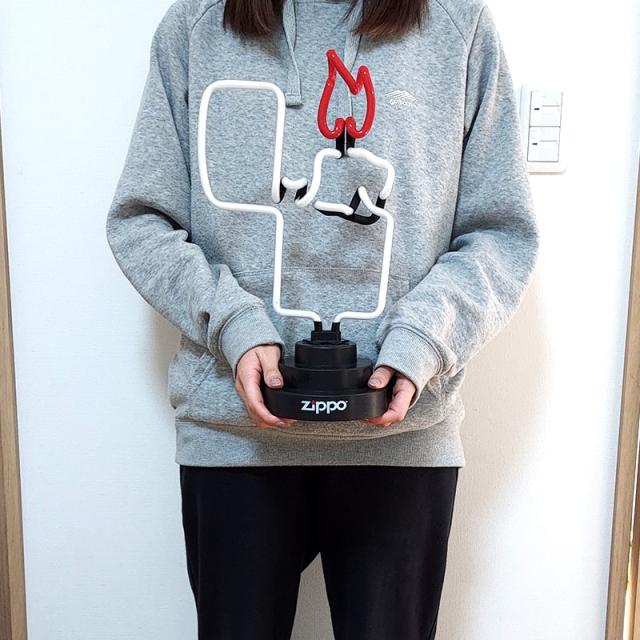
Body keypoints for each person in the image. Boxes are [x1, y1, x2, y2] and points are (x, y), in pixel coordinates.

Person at [105, 0, 540, 637]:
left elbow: (502, 234)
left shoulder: (458, 27)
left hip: (399, 442)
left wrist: (422, 338)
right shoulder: (196, 27)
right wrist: (232, 323)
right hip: (236, 439)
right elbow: (142, 221)